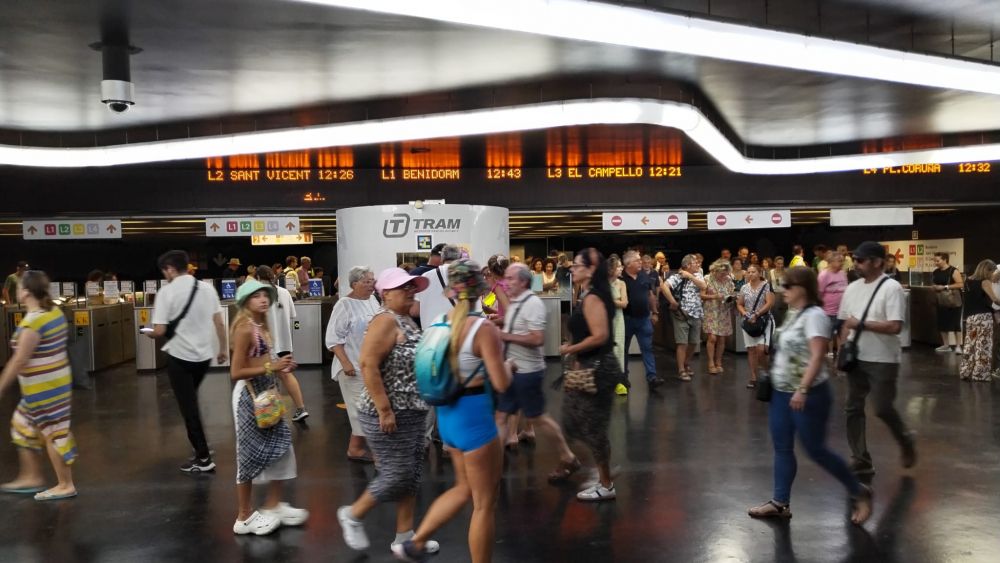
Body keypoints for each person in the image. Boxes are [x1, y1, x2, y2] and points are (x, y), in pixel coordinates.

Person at [392, 260, 512, 563]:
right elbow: (500, 383)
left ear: (450, 293)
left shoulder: (437, 325)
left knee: (462, 488)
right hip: (476, 420)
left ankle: (415, 542)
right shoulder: (482, 328)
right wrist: (510, 367)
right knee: (485, 505)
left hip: (448, 418)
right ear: (478, 293)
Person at [747, 266, 872, 524]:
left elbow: (818, 355)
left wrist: (803, 388)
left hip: (808, 394)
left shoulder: (815, 315)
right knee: (782, 447)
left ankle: (859, 492)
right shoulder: (792, 313)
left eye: (788, 286)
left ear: (803, 289)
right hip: (781, 393)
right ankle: (780, 503)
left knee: (816, 450)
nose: (783, 291)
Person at [338, 267, 439, 556]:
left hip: (412, 411)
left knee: (412, 474)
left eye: (412, 287)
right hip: (388, 412)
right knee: (397, 475)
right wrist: (385, 410)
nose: (411, 291)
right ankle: (353, 514)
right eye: (403, 287)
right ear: (386, 293)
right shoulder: (384, 320)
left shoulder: (406, 319)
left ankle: (405, 538)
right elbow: (368, 365)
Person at [229, 280, 308, 535]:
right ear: (245, 302)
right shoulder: (244, 328)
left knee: (281, 447)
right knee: (249, 454)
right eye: (256, 297)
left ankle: (273, 504)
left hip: (266, 394)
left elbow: (264, 360)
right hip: (250, 397)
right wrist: (270, 367)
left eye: (265, 295)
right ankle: (244, 516)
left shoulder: (260, 325)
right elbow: (236, 371)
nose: (263, 300)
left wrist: (279, 365)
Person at [838, 241, 916, 476]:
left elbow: (895, 326)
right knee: (852, 407)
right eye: (855, 260)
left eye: (860, 260)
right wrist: (841, 350)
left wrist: (860, 324)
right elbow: (844, 322)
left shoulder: (891, 288)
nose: (856, 264)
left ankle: (905, 440)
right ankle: (860, 457)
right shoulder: (852, 288)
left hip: (883, 359)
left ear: (877, 262)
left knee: (882, 407)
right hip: (856, 356)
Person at [495, 263, 579, 476]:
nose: (506, 282)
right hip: (513, 370)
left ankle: (567, 455)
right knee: (501, 415)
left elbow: (537, 338)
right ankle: (491, 465)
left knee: (539, 417)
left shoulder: (532, 303)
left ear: (523, 281)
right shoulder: (516, 302)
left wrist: (505, 336)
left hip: (528, 373)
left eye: (510, 278)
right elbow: (513, 324)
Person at [0, 270, 77, 501]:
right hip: (55, 383)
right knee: (22, 425)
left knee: (53, 432)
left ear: (24, 292)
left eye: (18, 287)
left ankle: (66, 484)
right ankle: (31, 477)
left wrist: (1, 386)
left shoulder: (33, 323)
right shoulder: (53, 312)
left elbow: (20, 360)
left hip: (44, 389)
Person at [147, 250, 227, 473]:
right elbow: (219, 323)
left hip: (179, 357)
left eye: (164, 271)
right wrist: (222, 349)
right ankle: (201, 445)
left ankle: (203, 458)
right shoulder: (207, 288)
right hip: (204, 357)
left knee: (188, 407)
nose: (165, 276)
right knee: (191, 402)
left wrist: (149, 333)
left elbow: (160, 329)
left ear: (170, 269)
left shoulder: (167, 292)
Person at [561, 248, 620, 501]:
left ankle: (605, 483)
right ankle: (601, 471)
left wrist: (569, 349)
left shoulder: (594, 297)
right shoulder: (588, 294)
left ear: (591, 269)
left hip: (597, 369)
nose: (572, 269)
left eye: (576, 265)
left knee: (592, 425)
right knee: (576, 421)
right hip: (590, 366)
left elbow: (600, 336)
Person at [326, 266, 380, 460]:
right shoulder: (344, 304)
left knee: (366, 408)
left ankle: (355, 449)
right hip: (351, 368)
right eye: (366, 281)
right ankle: (377, 452)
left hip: (369, 365)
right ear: (354, 284)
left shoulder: (373, 300)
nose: (371, 285)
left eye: (372, 280)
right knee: (362, 411)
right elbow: (333, 339)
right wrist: (346, 363)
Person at [256, 266, 308, 422]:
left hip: (266, 343)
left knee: (265, 378)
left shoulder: (257, 295)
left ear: (258, 277)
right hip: (285, 343)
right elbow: (292, 315)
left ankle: (269, 414)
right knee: (286, 375)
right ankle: (300, 408)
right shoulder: (284, 292)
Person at [621, 250, 661, 387]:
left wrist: (655, 312)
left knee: (647, 348)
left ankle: (652, 377)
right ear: (628, 263)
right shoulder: (620, 278)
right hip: (626, 319)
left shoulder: (644, 275)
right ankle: (623, 377)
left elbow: (650, 295)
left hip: (644, 319)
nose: (641, 262)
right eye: (637, 260)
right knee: (623, 350)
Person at [664, 254, 708, 381]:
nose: (698, 264)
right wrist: (672, 301)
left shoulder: (698, 275)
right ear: (688, 265)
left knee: (694, 342)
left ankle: (686, 363)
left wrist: (690, 277)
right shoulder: (677, 277)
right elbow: (664, 287)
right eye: (695, 263)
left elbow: (704, 287)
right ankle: (681, 370)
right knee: (682, 343)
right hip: (681, 314)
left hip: (696, 314)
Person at [960, 260, 1000, 381]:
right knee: (983, 346)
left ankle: (965, 371)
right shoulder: (985, 282)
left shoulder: (968, 281)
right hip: (983, 318)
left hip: (970, 318)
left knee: (969, 345)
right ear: (987, 270)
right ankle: (980, 374)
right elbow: (995, 300)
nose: (992, 275)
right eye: (992, 271)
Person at [737, 264, 774, 389]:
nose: (750, 274)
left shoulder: (765, 286)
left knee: (761, 349)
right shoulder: (744, 288)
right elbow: (740, 304)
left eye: (753, 271)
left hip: (763, 320)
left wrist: (757, 314)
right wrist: (745, 314)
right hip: (749, 322)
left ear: (759, 273)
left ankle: (765, 371)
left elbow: (769, 303)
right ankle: (753, 376)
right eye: (749, 272)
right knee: (751, 350)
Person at [413, 244, 461, 329]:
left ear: (442, 258)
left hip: (430, 335)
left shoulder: (425, 276)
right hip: (456, 333)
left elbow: (414, 311)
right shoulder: (466, 276)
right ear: (460, 258)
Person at [702, 259, 736, 375]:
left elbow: (732, 295)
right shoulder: (707, 279)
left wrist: (730, 299)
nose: (724, 276)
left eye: (726, 274)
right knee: (712, 338)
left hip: (724, 311)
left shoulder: (729, 281)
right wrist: (715, 296)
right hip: (711, 311)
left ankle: (719, 362)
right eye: (721, 274)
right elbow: (701, 295)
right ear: (715, 271)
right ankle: (710, 363)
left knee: (722, 338)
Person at [818, 252, 849, 358]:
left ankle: (841, 352)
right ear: (831, 262)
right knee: (829, 333)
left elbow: (846, 288)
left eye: (842, 261)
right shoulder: (824, 275)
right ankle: (830, 352)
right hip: (828, 310)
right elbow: (819, 292)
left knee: (842, 333)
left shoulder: (843, 273)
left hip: (842, 311)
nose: (841, 263)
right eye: (839, 261)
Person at [932, 252, 964, 353]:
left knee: (955, 323)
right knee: (942, 322)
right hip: (941, 300)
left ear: (945, 260)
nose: (936, 262)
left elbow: (960, 284)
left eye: (938, 260)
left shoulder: (953, 270)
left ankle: (958, 346)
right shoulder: (936, 272)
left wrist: (945, 287)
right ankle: (946, 345)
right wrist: (935, 287)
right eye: (935, 260)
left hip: (953, 301)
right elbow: (935, 283)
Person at [607, 256, 629, 394]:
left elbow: (625, 303)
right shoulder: (602, 283)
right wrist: (616, 301)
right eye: (619, 266)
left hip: (618, 318)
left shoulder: (622, 284)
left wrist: (609, 300)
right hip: (605, 319)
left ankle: (618, 381)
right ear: (611, 269)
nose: (621, 268)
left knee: (619, 347)